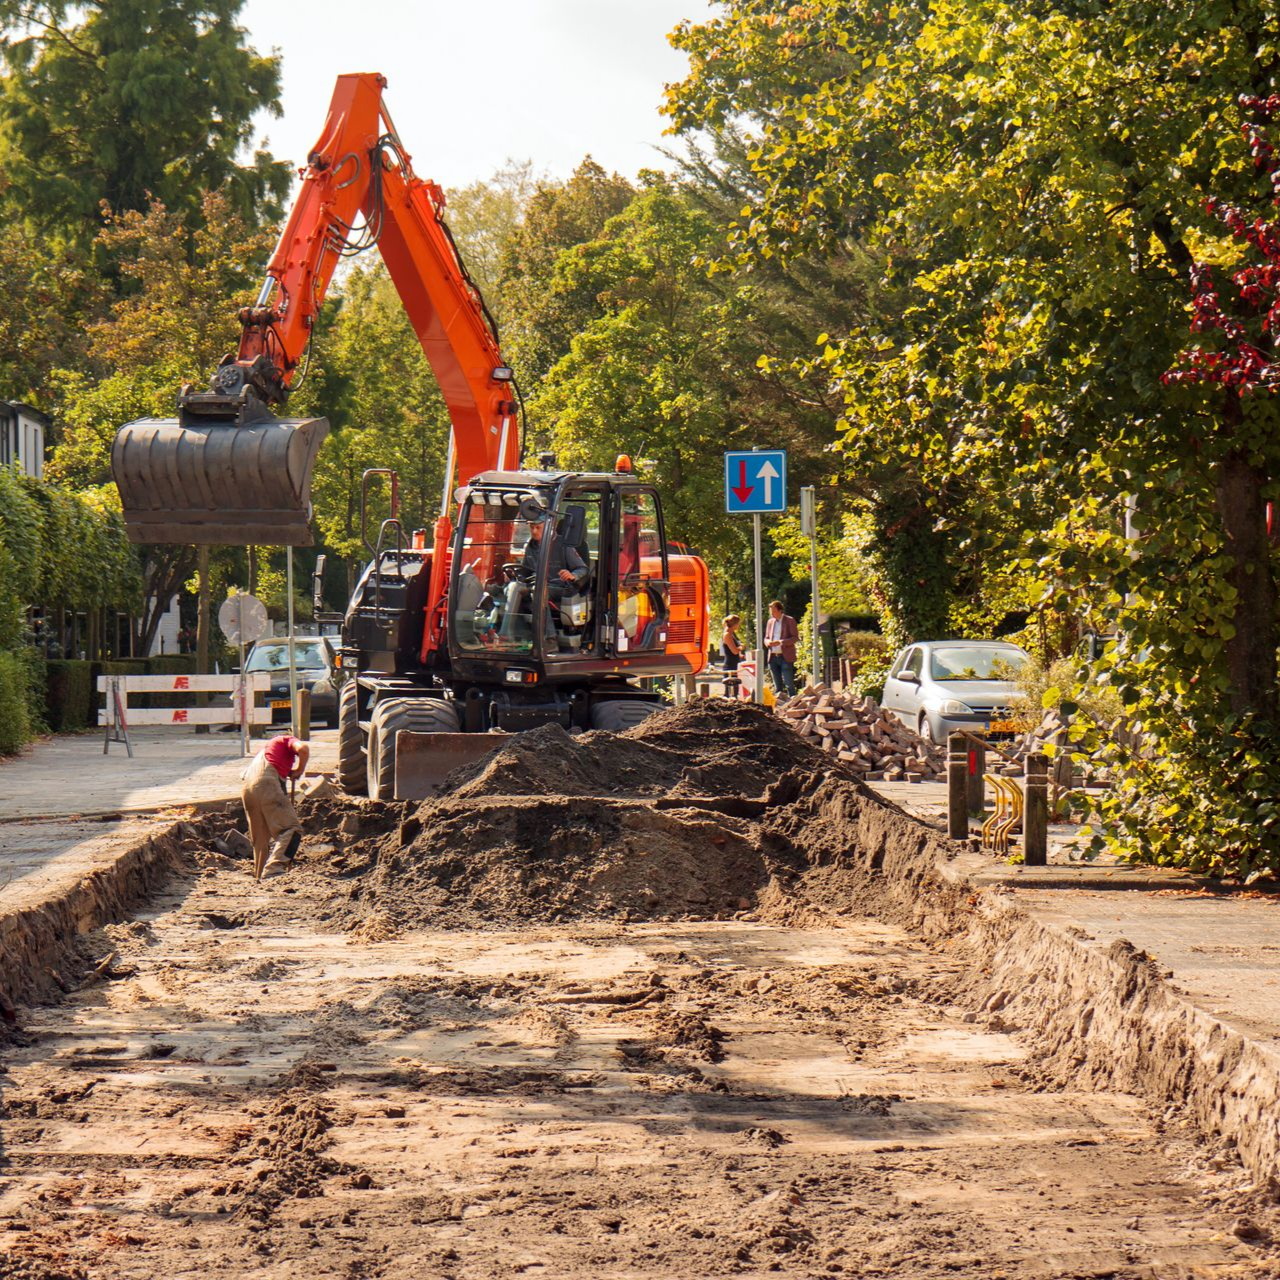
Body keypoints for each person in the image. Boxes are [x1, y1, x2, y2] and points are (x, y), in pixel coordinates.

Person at [503, 506, 589, 646]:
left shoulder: (563, 545)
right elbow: (526, 570)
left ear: (550, 527)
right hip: (536, 585)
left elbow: (582, 569)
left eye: (538, 528)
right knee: (508, 588)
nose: (534, 531)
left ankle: (549, 638)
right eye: (531, 527)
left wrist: (572, 575)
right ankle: (512, 635)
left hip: (560, 586)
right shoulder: (529, 547)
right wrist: (514, 575)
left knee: (539, 592)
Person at [241, 733, 310, 880]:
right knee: (292, 830)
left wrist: (288, 773)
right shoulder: (285, 740)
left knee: (260, 840)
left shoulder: (265, 752)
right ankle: (274, 869)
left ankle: (259, 877)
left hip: (247, 789)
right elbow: (303, 749)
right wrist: (299, 770)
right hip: (266, 784)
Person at [764, 600, 799, 698]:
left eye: (774, 611)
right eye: (770, 611)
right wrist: (767, 643)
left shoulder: (790, 620)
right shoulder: (770, 622)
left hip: (785, 656)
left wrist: (780, 642)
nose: (772, 613)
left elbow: (795, 637)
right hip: (773, 655)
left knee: (788, 683)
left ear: (780, 610)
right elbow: (766, 637)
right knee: (777, 685)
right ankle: (779, 705)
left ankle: (793, 701)